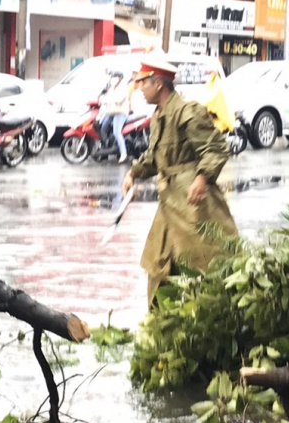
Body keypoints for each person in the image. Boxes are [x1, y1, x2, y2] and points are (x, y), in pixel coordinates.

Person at [128, 56, 237, 301]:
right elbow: (155, 156)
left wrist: (202, 178)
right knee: (157, 264)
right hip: (169, 203)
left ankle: (208, 315)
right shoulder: (159, 115)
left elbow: (216, 148)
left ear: (158, 84)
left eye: (142, 82)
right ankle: (160, 325)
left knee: (203, 264)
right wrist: (133, 172)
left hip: (194, 205)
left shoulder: (188, 111)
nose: (139, 89)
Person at [97, 69, 132, 160]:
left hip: (120, 112)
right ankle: (106, 149)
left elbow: (119, 99)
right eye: (112, 77)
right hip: (111, 112)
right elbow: (106, 96)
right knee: (102, 128)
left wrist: (106, 100)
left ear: (120, 78)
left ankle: (123, 153)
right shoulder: (112, 87)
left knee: (116, 132)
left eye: (115, 77)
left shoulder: (123, 87)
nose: (113, 79)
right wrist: (101, 99)